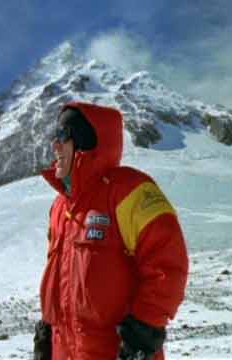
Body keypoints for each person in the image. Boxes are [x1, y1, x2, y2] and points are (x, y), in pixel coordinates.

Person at [34, 102, 189, 360]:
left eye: (63, 136)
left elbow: (168, 265)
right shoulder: (60, 207)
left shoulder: (130, 190)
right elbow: (59, 277)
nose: (55, 145)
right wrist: (47, 332)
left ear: (85, 142)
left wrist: (144, 333)